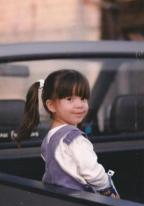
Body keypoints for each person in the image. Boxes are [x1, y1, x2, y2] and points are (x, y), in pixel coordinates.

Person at [16, 69, 119, 198]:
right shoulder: (75, 140)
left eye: (83, 99)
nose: (80, 105)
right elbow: (93, 173)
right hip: (81, 202)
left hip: (61, 201)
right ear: (51, 105)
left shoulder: (49, 138)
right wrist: (108, 189)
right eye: (70, 99)